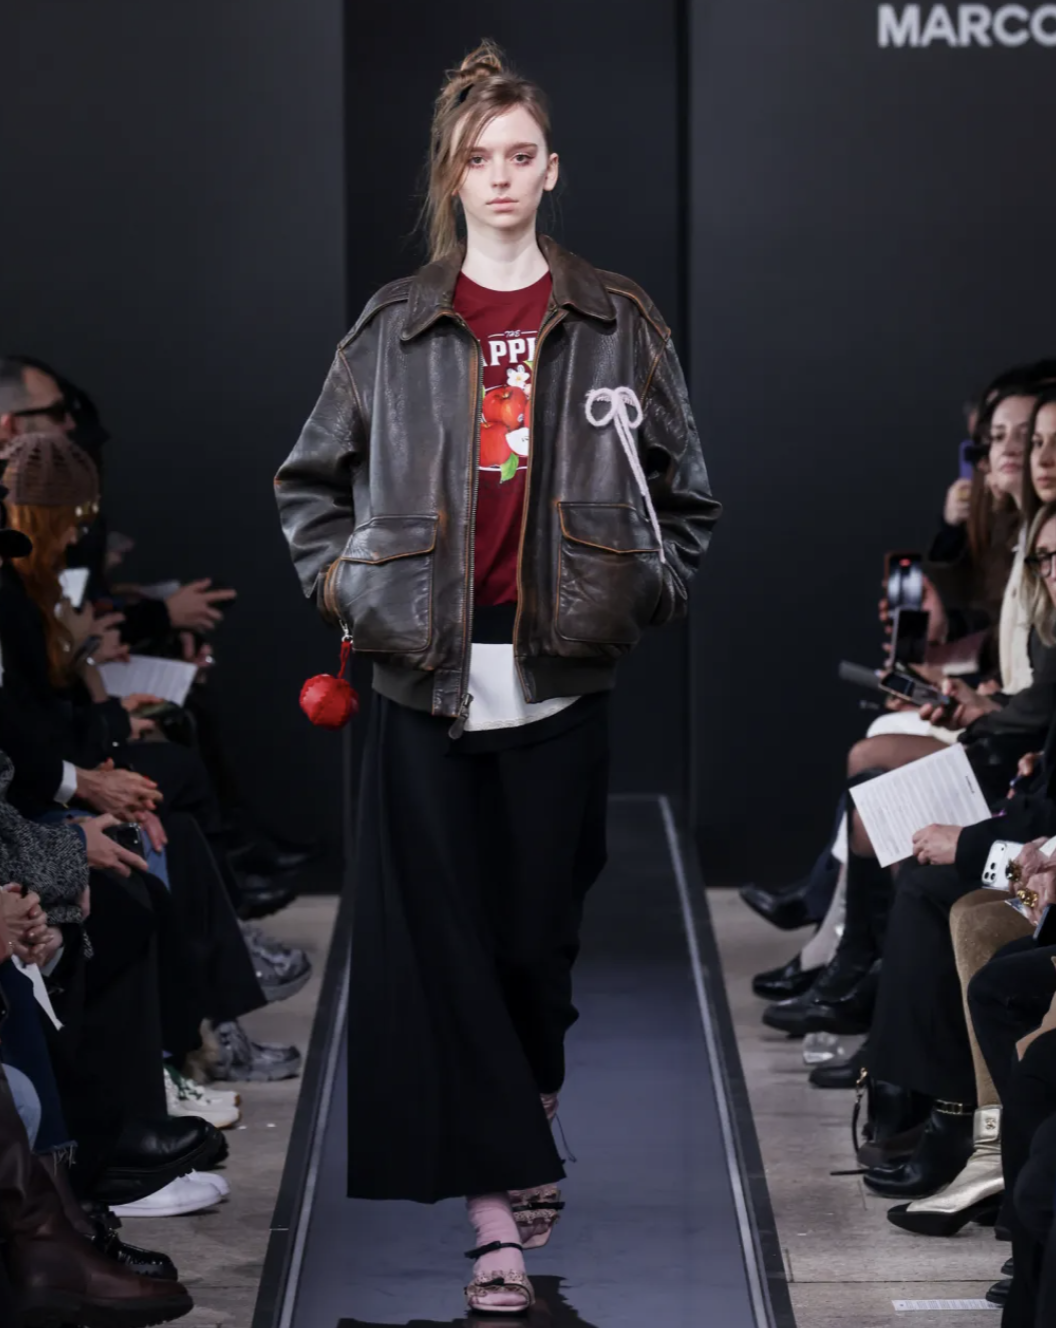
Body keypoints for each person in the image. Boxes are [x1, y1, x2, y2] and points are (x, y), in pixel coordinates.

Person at [276, 40, 720, 1314]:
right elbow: (309, 483)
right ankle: (492, 1217)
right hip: (420, 683)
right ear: (452, 175)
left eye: (522, 154)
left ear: (553, 168)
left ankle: (530, 1104)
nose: (503, 176)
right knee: (445, 951)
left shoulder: (617, 319)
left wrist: (643, 591)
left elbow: (686, 496)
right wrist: (350, 588)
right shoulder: (396, 323)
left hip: (560, 683)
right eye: (481, 158)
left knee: (536, 944)